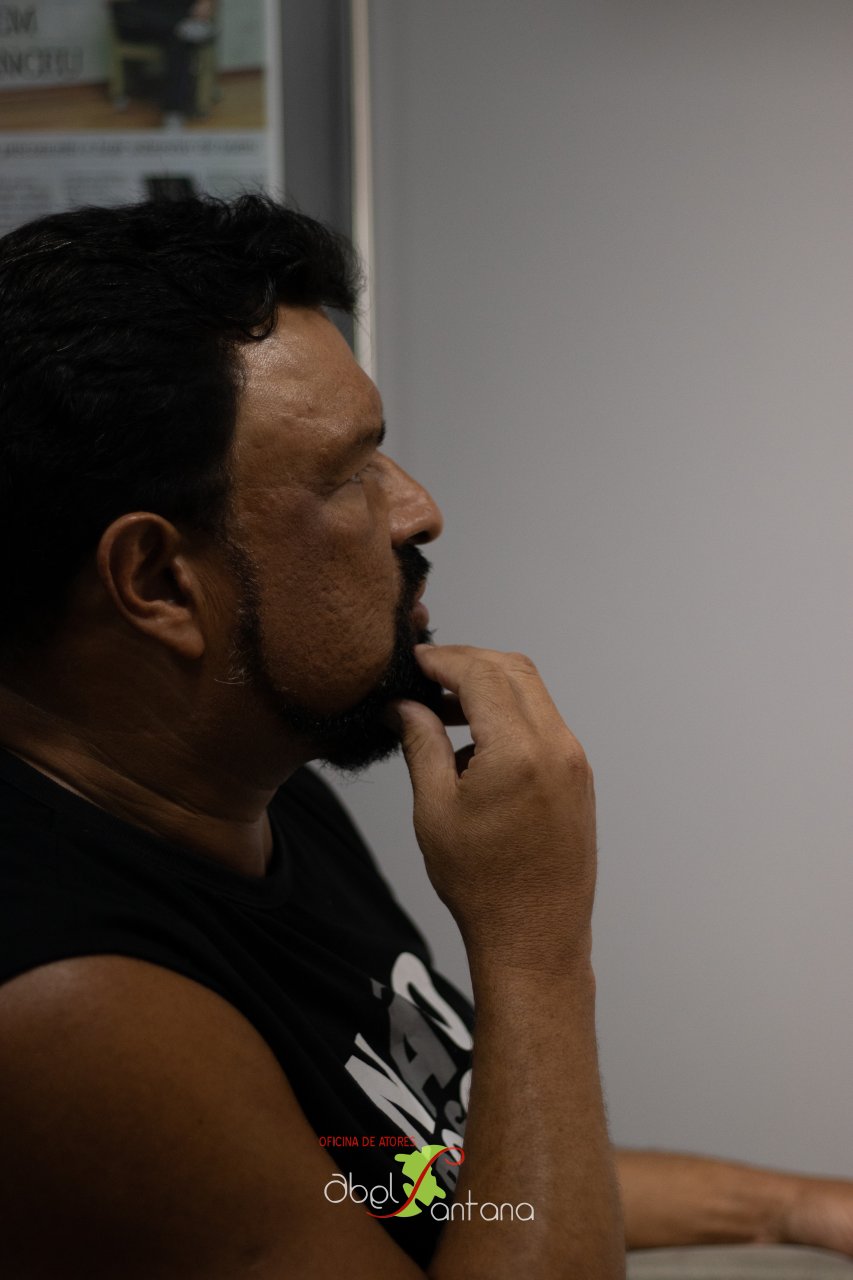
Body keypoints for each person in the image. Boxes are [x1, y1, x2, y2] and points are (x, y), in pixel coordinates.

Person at [0, 196, 849, 1280]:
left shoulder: (253, 795)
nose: (417, 509)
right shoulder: (72, 1007)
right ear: (160, 580)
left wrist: (791, 1206)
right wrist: (535, 948)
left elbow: (440, 1180)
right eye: (348, 474)